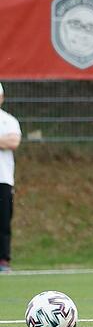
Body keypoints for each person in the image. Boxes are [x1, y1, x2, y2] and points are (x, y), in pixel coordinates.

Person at [0, 83, 21, 273]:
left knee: (3, 221)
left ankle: (3, 260)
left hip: (3, 179)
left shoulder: (8, 121)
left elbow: (13, 142)